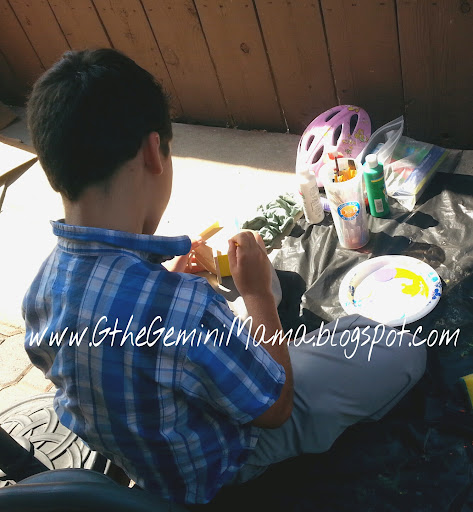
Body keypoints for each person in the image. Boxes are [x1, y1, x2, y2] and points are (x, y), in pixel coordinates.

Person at [22, 48, 426, 506]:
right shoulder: (182, 308)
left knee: (262, 284)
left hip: (153, 453)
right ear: (154, 152)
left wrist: (167, 279)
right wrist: (258, 297)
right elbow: (276, 409)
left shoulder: (40, 290)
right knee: (399, 351)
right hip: (223, 462)